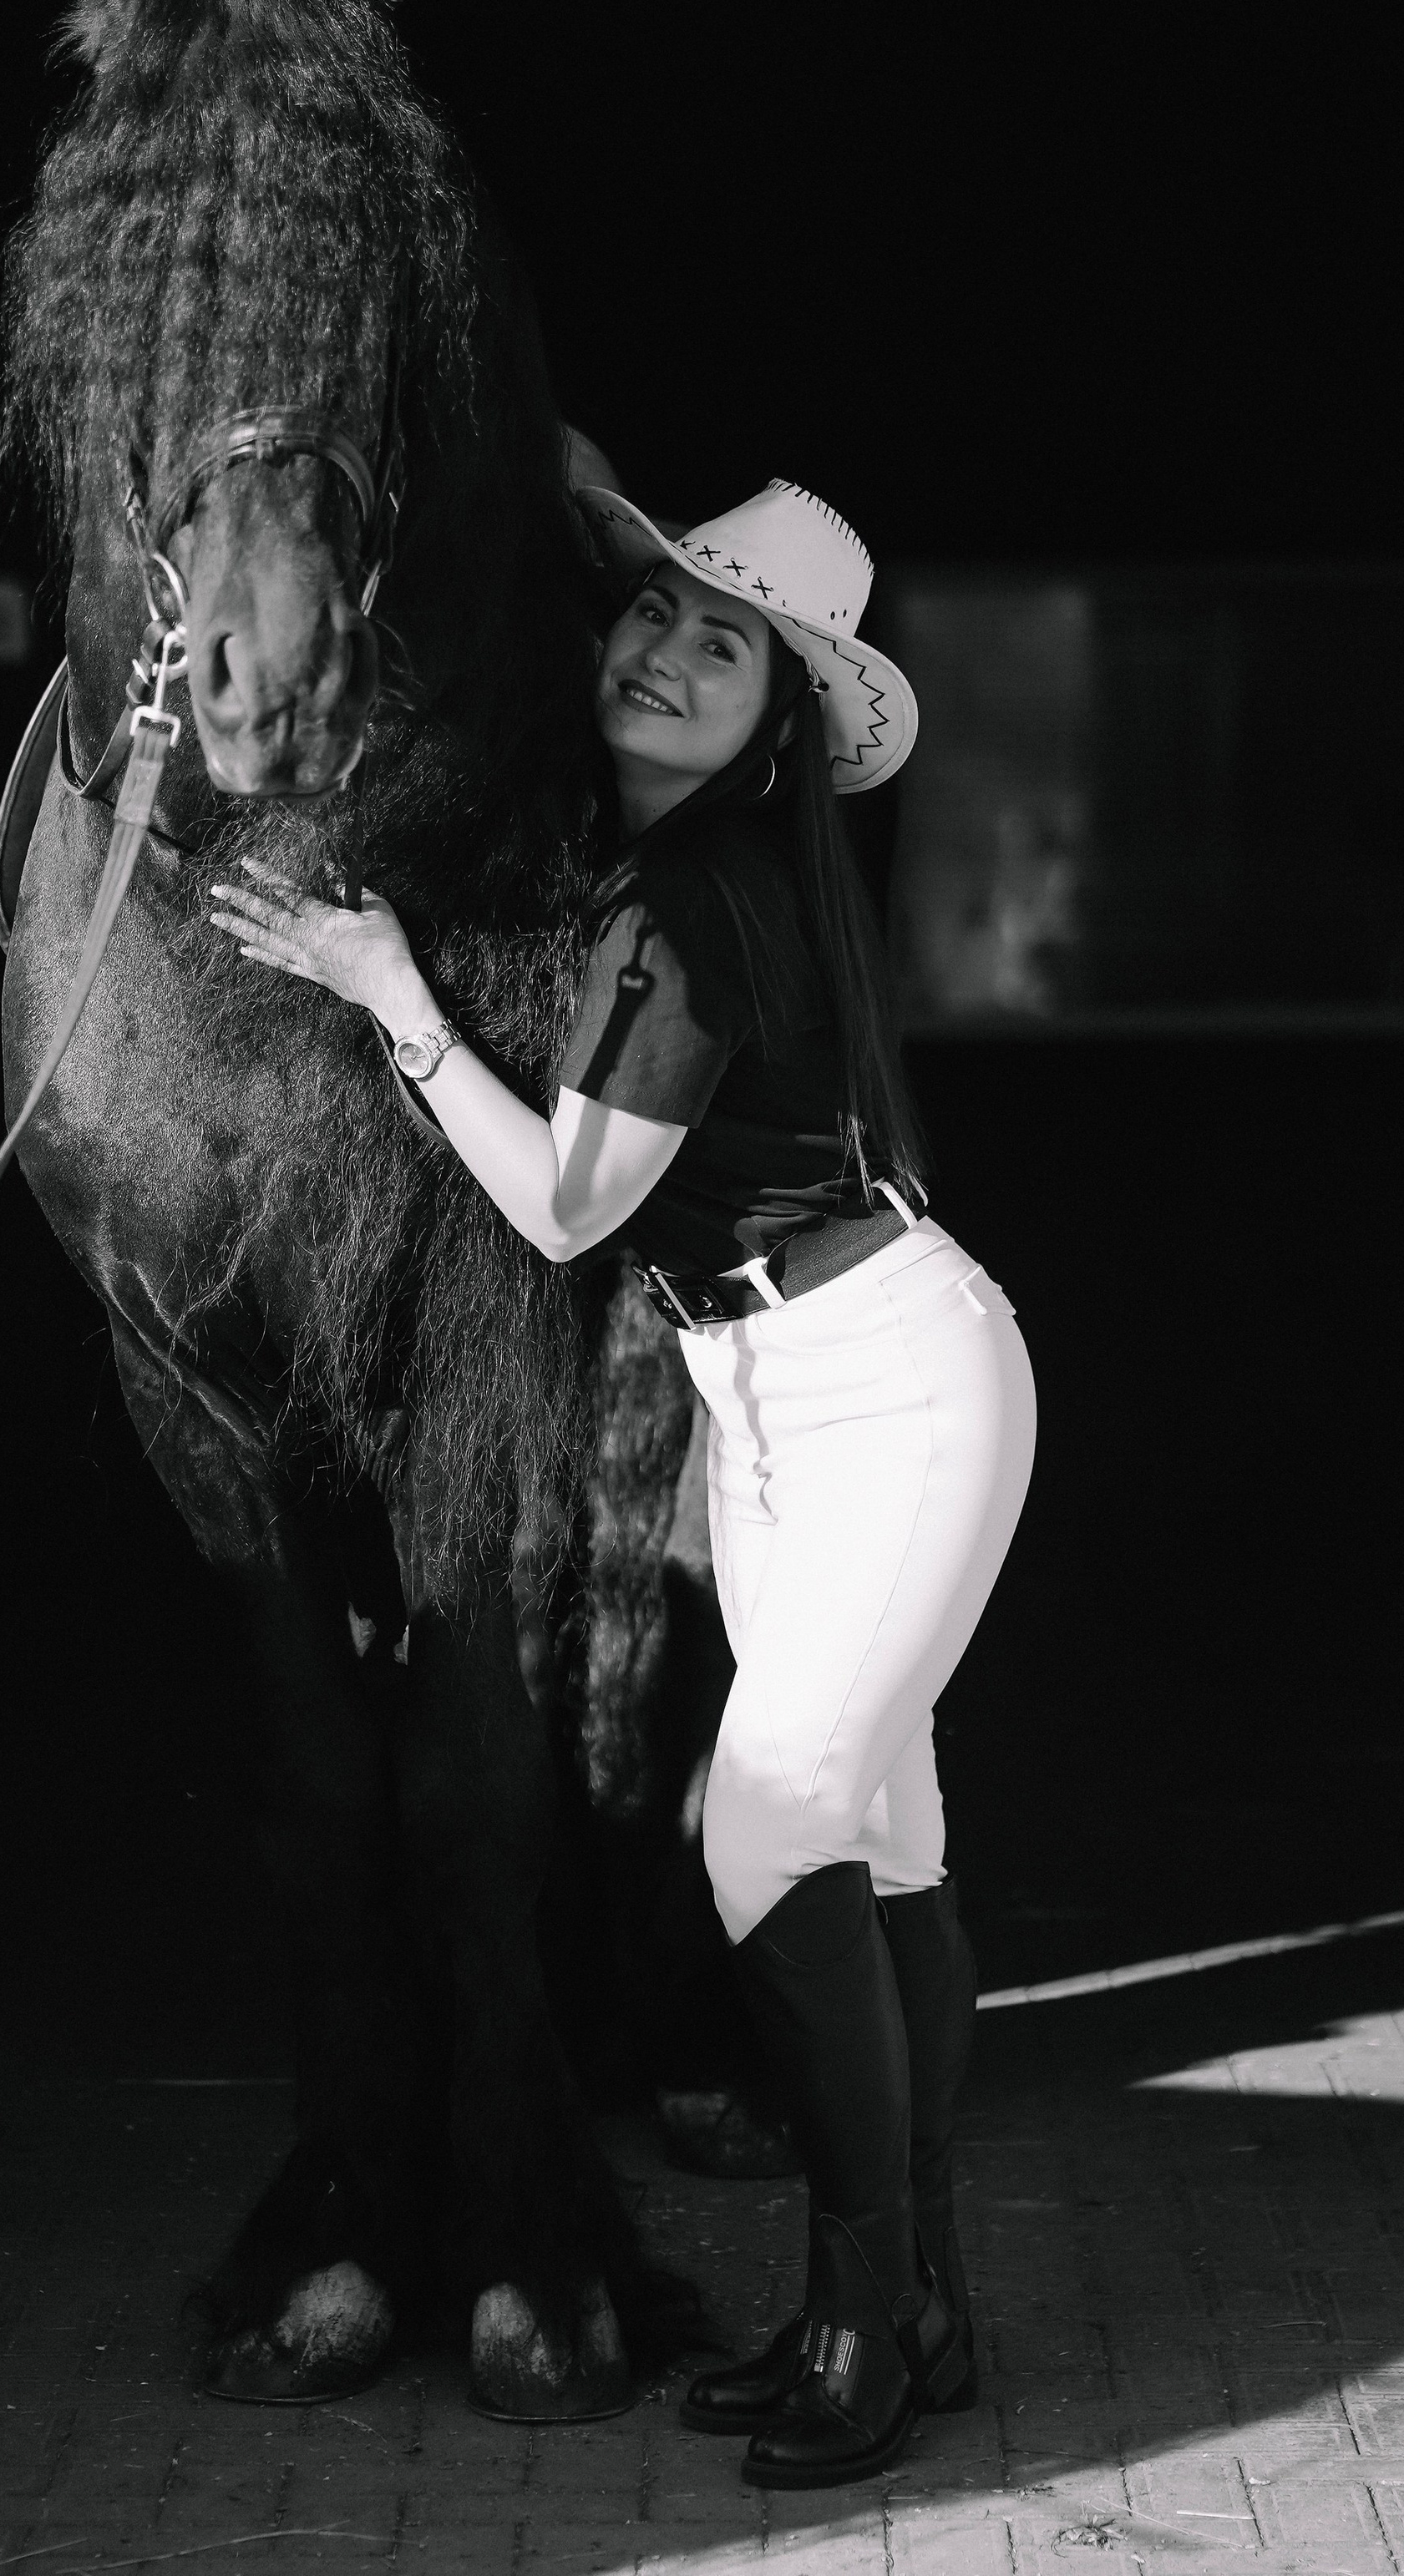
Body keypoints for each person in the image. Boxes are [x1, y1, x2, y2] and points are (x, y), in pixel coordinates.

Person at [208, 476, 1036, 2487]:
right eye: (652, 612)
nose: (660, 648)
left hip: (884, 1381)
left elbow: (570, 1209)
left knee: (762, 1832)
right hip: (771, 1384)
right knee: (886, 1844)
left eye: (719, 640)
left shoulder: (695, 901)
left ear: (774, 718)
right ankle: (915, 2305)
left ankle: (854, 2319)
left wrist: (387, 993)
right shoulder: (676, 863)